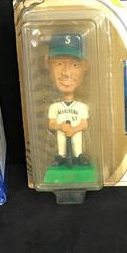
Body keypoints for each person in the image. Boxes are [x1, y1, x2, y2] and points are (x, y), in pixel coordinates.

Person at [46, 35, 90, 167]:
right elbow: (51, 124)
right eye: (59, 63)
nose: (66, 72)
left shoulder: (81, 106)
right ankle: (60, 157)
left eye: (74, 64)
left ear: (85, 65)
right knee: (61, 145)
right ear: (48, 64)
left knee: (77, 146)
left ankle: (79, 157)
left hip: (76, 133)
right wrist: (61, 127)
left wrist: (74, 129)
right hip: (61, 133)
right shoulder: (54, 106)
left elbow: (85, 124)